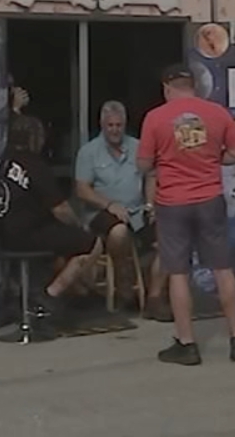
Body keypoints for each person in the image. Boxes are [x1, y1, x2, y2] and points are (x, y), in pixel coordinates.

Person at [137, 63, 235, 365]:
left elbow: (143, 164)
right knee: (222, 268)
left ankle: (187, 344)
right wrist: (214, 160)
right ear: (193, 85)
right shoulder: (217, 113)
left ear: (166, 87)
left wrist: (167, 162)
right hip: (210, 198)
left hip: (172, 202)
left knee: (178, 273)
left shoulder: (155, 118)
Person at [0, 114, 102, 315]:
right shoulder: (35, 166)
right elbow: (61, 210)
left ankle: (81, 295)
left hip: (0, 235)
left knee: (65, 248)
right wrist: (78, 226)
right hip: (28, 236)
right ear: (34, 139)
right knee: (91, 242)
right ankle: (49, 296)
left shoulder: (1, 163)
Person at [74, 100, 164, 316]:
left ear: (124, 125)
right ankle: (125, 290)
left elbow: (151, 176)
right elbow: (82, 190)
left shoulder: (138, 147)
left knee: (170, 234)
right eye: (110, 126)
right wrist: (109, 204)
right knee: (119, 233)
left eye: (118, 125)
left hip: (137, 211)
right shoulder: (89, 152)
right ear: (102, 125)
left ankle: (155, 296)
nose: (115, 130)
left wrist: (151, 204)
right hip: (102, 213)